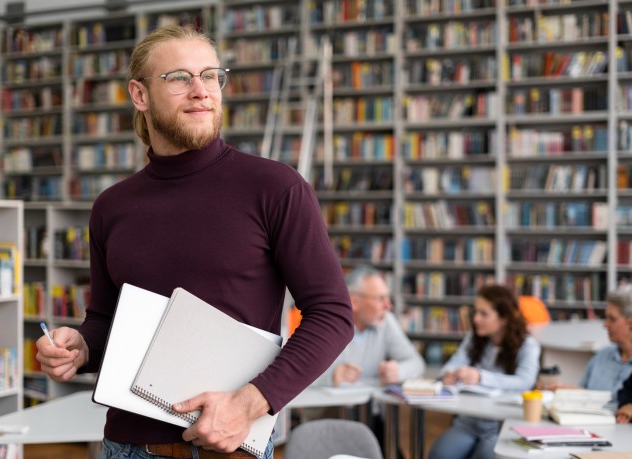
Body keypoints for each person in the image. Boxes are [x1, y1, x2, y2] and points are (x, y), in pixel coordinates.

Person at [35, 25, 354, 459]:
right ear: (140, 95)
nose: (201, 91)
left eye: (210, 75)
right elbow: (106, 318)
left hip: (230, 445)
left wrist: (249, 404)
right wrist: (82, 347)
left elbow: (332, 315)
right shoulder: (112, 206)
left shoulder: (276, 187)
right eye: (180, 78)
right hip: (125, 446)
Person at [313, 264, 425, 459]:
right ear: (354, 301)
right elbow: (295, 372)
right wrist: (332, 376)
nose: (388, 306)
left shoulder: (385, 321)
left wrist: (398, 370)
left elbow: (416, 362)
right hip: (327, 420)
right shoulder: (324, 323)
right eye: (380, 299)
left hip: (370, 419)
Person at [427, 284, 540, 459]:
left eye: (484, 314)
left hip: (501, 426)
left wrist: (481, 377)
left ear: (504, 319)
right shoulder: (475, 338)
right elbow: (453, 363)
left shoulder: (528, 345)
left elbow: (525, 381)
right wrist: (448, 374)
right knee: (439, 455)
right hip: (468, 421)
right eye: (476, 312)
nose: (476, 319)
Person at [538, 286, 632, 408]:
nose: (605, 325)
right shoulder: (601, 356)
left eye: (612, 319)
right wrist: (562, 391)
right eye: (606, 318)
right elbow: (586, 393)